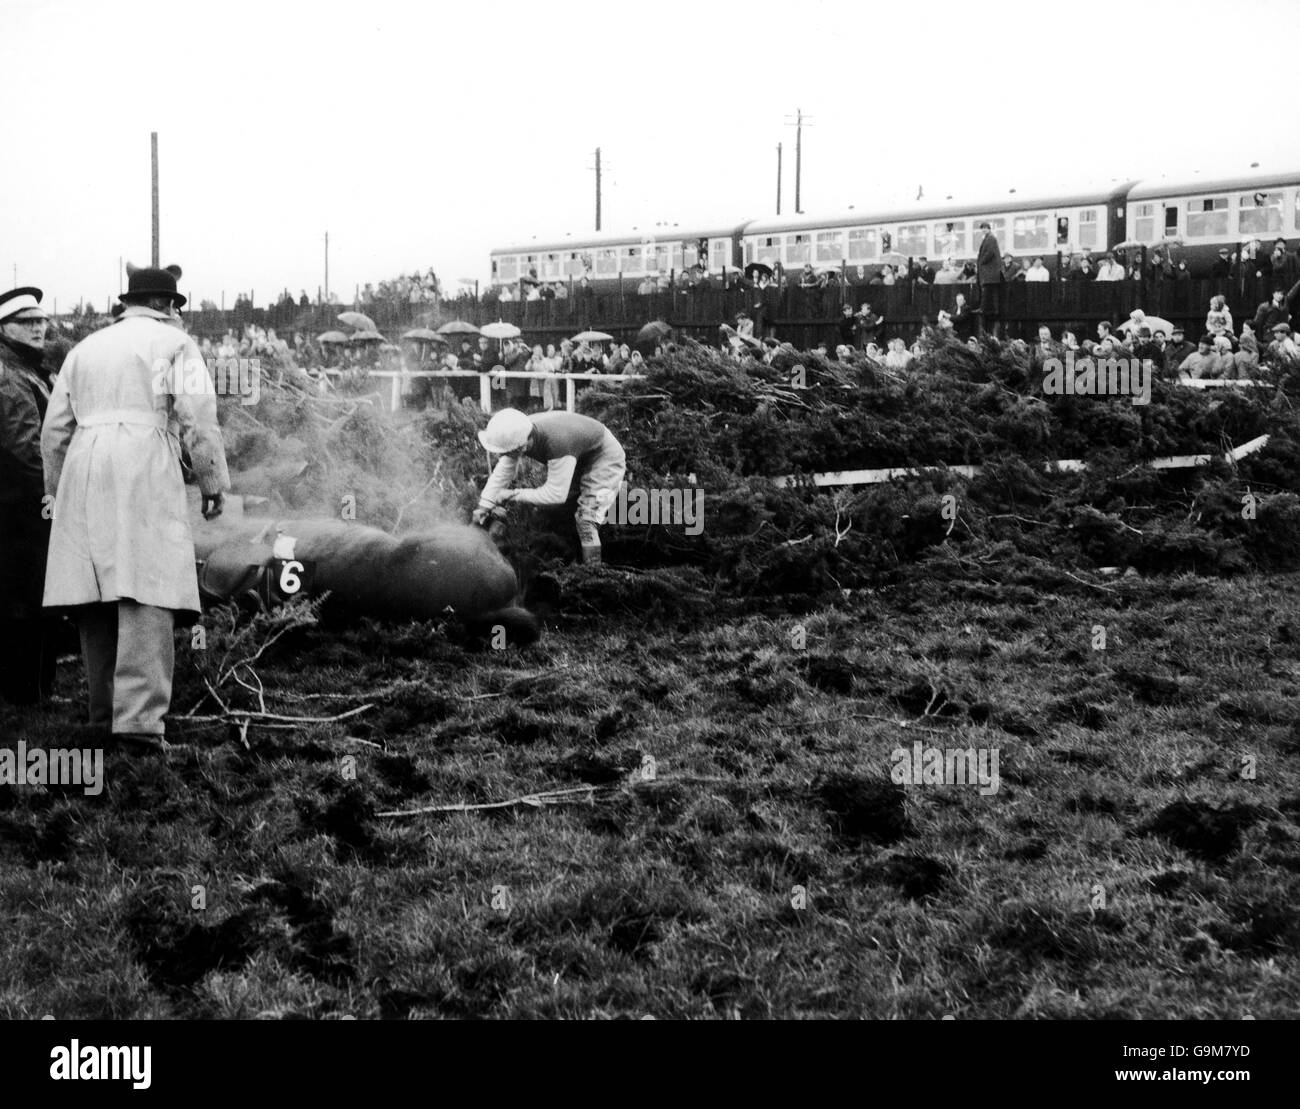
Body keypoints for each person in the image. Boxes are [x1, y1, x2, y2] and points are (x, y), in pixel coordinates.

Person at [41, 265, 230, 747]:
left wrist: (56, 492)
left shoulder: (84, 348)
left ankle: (103, 714)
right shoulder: (173, 345)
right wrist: (211, 480)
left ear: (129, 303)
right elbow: (198, 418)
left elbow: (54, 431)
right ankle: (139, 724)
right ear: (168, 307)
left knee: (96, 590)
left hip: (85, 464)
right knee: (147, 588)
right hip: (143, 465)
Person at [0, 288, 59, 704]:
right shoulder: (9, 373)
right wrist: (57, 493)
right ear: (5, 328)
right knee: (27, 599)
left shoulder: (30, 368)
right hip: (21, 506)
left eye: (41, 321)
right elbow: (25, 447)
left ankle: (31, 688)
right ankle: (28, 692)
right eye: (27, 322)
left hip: (26, 503)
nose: (39, 327)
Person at [472, 409, 626, 566]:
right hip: (577, 456)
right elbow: (502, 473)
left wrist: (512, 494)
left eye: (504, 452)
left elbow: (555, 495)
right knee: (559, 514)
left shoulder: (556, 444)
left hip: (604, 457)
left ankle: (593, 572)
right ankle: (570, 558)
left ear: (522, 447)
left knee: (586, 519)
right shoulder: (517, 432)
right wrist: (483, 507)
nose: (500, 456)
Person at [976, 221, 1003, 336]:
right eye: (982, 228)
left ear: (988, 228)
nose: (983, 230)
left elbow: (990, 252)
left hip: (990, 270)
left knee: (987, 289)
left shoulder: (990, 238)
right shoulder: (990, 238)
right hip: (992, 271)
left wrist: (981, 262)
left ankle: (983, 308)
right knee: (992, 291)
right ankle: (992, 308)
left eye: (984, 228)